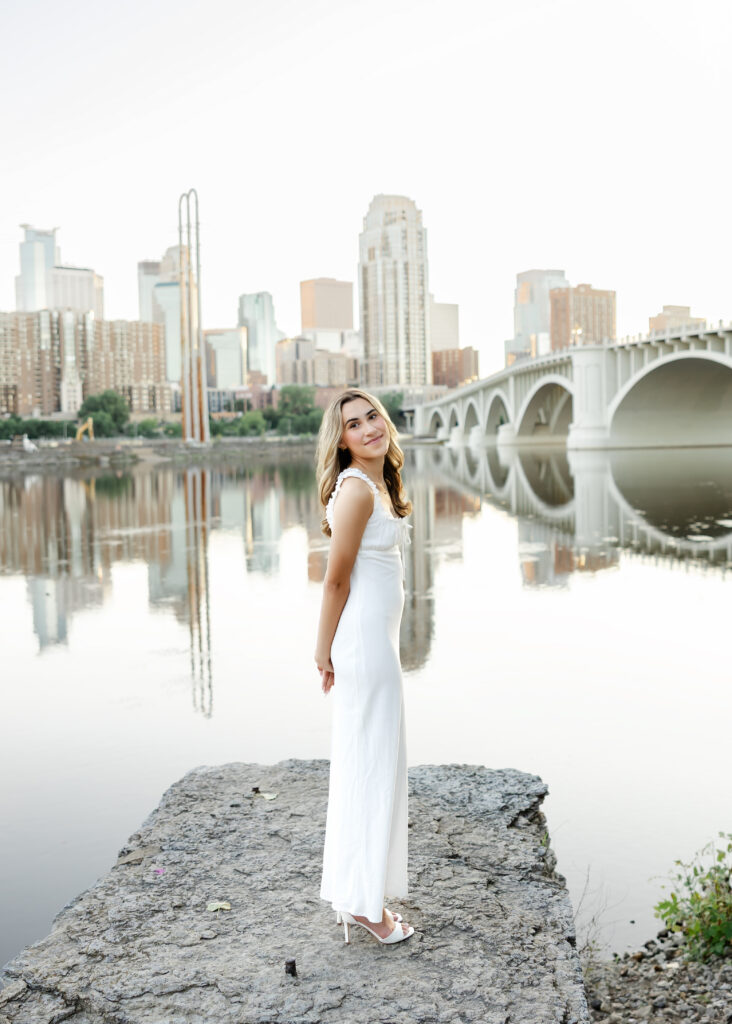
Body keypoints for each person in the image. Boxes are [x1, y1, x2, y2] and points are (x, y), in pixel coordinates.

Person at [314, 388, 415, 946]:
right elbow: (335, 580)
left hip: (378, 642)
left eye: (373, 415)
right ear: (343, 441)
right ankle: (366, 907)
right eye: (354, 424)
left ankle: (359, 893)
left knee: (372, 764)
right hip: (363, 645)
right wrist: (322, 649)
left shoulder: (377, 485)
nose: (370, 427)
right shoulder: (355, 490)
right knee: (370, 769)